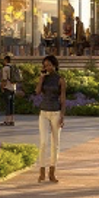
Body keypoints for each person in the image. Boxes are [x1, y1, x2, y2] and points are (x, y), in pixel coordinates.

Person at [35, 55, 65, 183]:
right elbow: (37, 92)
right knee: (43, 142)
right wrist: (41, 79)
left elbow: (63, 98)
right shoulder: (44, 78)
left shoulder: (60, 79)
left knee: (55, 144)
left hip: (56, 112)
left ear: (55, 65)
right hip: (44, 112)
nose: (47, 67)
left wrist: (62, 115)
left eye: (49, 65)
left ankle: (52, 171)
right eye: (45, 65)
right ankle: (41, 171)